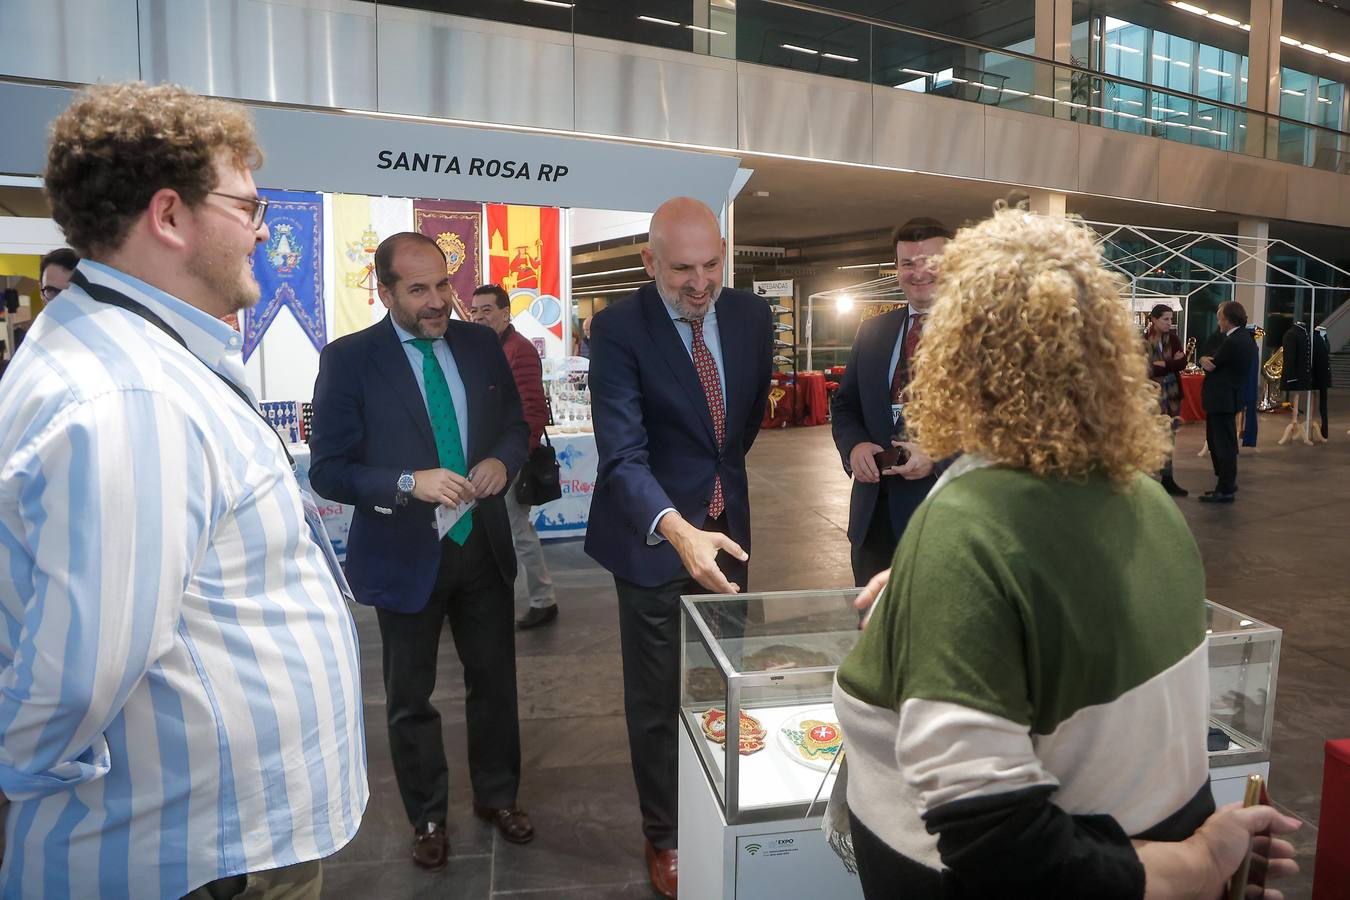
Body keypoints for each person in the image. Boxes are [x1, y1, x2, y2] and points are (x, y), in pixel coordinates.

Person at [834, 206, 1300, 899]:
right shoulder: (1146, 502)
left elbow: (997, 844)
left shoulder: (970, 527)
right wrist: (925, 594)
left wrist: (1197, 868)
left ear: (952, 351)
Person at [0, 82, 365, 898]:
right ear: (169, 217)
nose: (264, 229)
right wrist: (27, 781)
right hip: (194, 857)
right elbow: (78, 674)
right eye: (249, 204)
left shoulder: (136, 355)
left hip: (210, 843)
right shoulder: (132, 395)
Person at [309, 232, 534, 874]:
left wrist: (500, 460)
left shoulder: (480, 344)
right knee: (410, 697)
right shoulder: (350, 360)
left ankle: (497, 797)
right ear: (384, 292)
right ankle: (428, 815)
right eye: (419, 290)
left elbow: (516, 428)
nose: (438, 301)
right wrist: (409, 483)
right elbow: (328, 469)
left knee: (495, 684)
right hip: (406, 556)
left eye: (443, 284)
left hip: (481, 549)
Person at [585, 196, 772, 899]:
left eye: (712, 266)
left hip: (730, 537)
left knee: (722, 683)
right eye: (682, 271)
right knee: (660, 699)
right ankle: (663, 834)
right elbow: (623, 456)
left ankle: (719, 806)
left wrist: (712, 506)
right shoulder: (619, 330)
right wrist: (677, 525)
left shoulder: (753, 317)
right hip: (654, 544)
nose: (699, 284)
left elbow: (740, 431)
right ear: (649, 260)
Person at [831, 217, 952, 585]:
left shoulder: (985, 335)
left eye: (931, 261)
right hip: (874, 523)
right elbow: (845, 405)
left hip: (948, 521)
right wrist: (854, 447)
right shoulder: (874, 331)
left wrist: (937, 458)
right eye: (907, 263)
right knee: (874, 634)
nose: (919, 273)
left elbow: (1004, 427)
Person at [468, 283, 559, 630]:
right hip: (484, 460)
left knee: (517, 530)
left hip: (509, 460)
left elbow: (532, 410)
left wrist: (516, 459)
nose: (478, 317)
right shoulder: (482, 348)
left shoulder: (518, 351)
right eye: (474, 311)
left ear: (505, 313)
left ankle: (543, 600)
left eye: (486, 310)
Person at [1199, 301, 1258, 503]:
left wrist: (1203, 360)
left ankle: (1225, 488)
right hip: (1230, 397)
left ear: (1228, 320)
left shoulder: (1233, 341)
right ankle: (1225, 484)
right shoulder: (1246, 339)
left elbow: (1211, 364)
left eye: (1220, 319)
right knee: (1225, 443)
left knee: (1222, 445)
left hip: (1221, 398)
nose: (1218, 323)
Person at [1145, 303, 1189, 496]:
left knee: (1170, 437)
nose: (1170, 323)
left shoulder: (1173, 338)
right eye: (1166, 319)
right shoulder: (1143, 340)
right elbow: (1146, 368)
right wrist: (1171, 363)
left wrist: (1164, 363)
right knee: (1148, 435)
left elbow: (1183, 362)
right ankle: (1146, 479)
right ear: (1154, 319)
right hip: (1151, 396)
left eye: (1171, 319)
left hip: (1171, 395)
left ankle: (1167, 478)